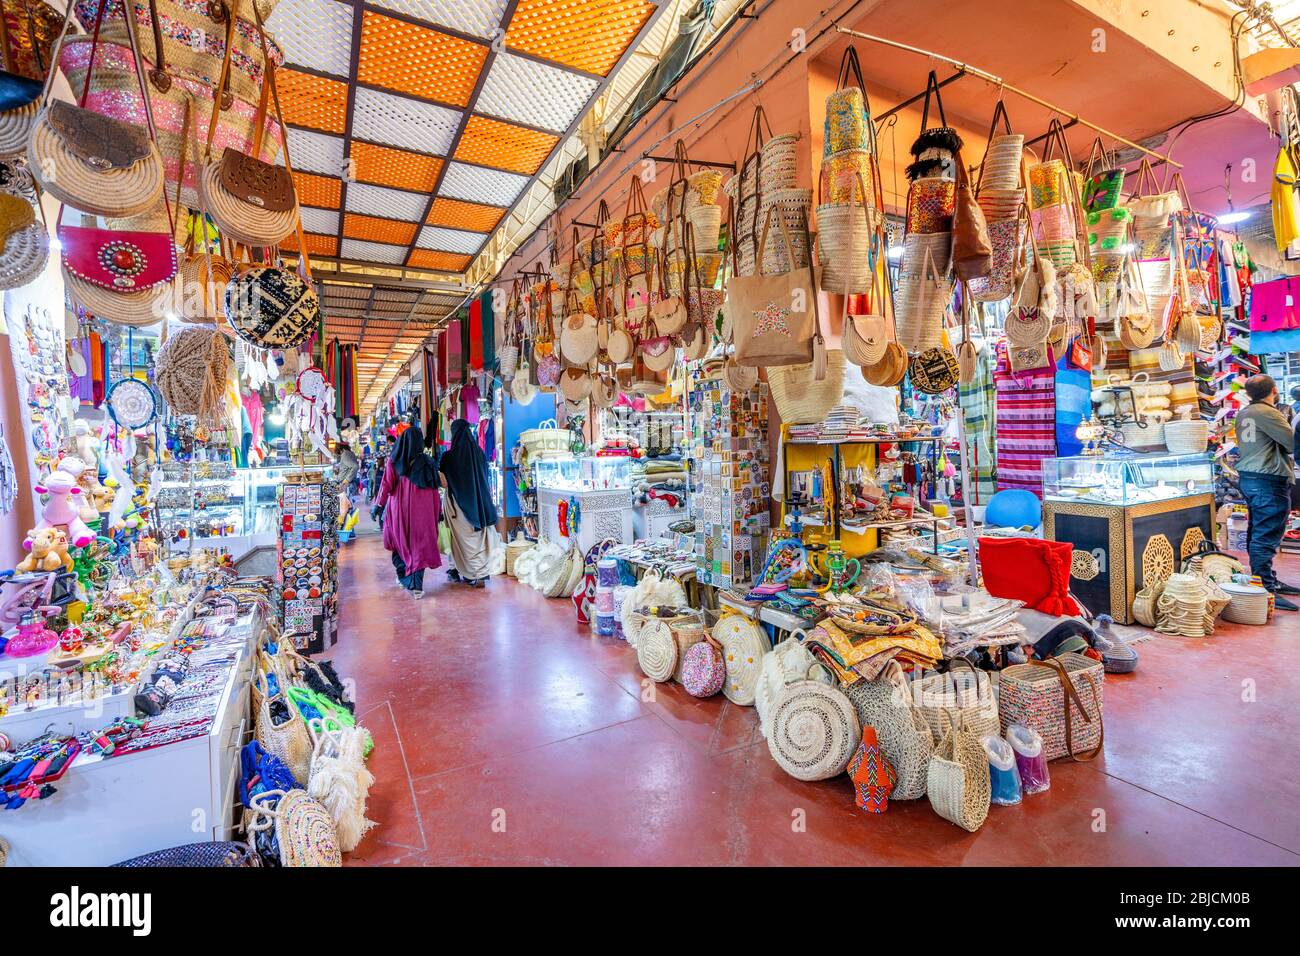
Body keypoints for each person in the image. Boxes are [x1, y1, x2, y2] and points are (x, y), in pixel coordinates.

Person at [1236, 374, 1299, 610]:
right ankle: (1265, 588)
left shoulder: (1244, 413)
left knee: (1258, 531)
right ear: (1274, 390)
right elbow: (1293, 443)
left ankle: (1265, 581)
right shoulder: (1269, 413)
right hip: (1268, 478)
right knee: (1267, 534)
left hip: (1250, 477)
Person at [375, 424, 442, 599]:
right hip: (425, 513)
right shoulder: (428, 462)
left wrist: (378, 505)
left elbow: (386, 484)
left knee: (400, 542)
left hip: (401, 512)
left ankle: (406, 578)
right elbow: (436, 490)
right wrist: (438, 512)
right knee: (420, 546)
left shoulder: (395, 461)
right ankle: (416, 585)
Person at [438, 418, 499, 588]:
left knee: (461, 539)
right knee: (478, 538)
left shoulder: (448, 457)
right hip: (479, 505)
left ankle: (467, 571)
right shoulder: (479, 453)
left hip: (457, 505)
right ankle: (481, 571)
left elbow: (443, 481)